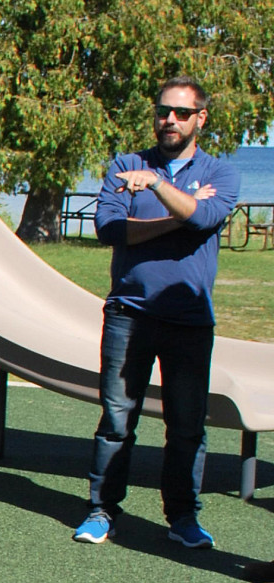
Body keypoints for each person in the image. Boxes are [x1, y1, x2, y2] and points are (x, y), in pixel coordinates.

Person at [74, 78, 240, 548]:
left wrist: (157, 191)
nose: (170, 120)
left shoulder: (221, 174)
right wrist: (182, 215)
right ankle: (101, 510)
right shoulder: (127, 165)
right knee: (116, 420)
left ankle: (183, 518)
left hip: (189, 320)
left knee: (186, 425)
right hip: (129, 314)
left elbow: (208, 219)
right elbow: (110, 228)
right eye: (163, 111)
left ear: (200, 119)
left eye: (181, 113)